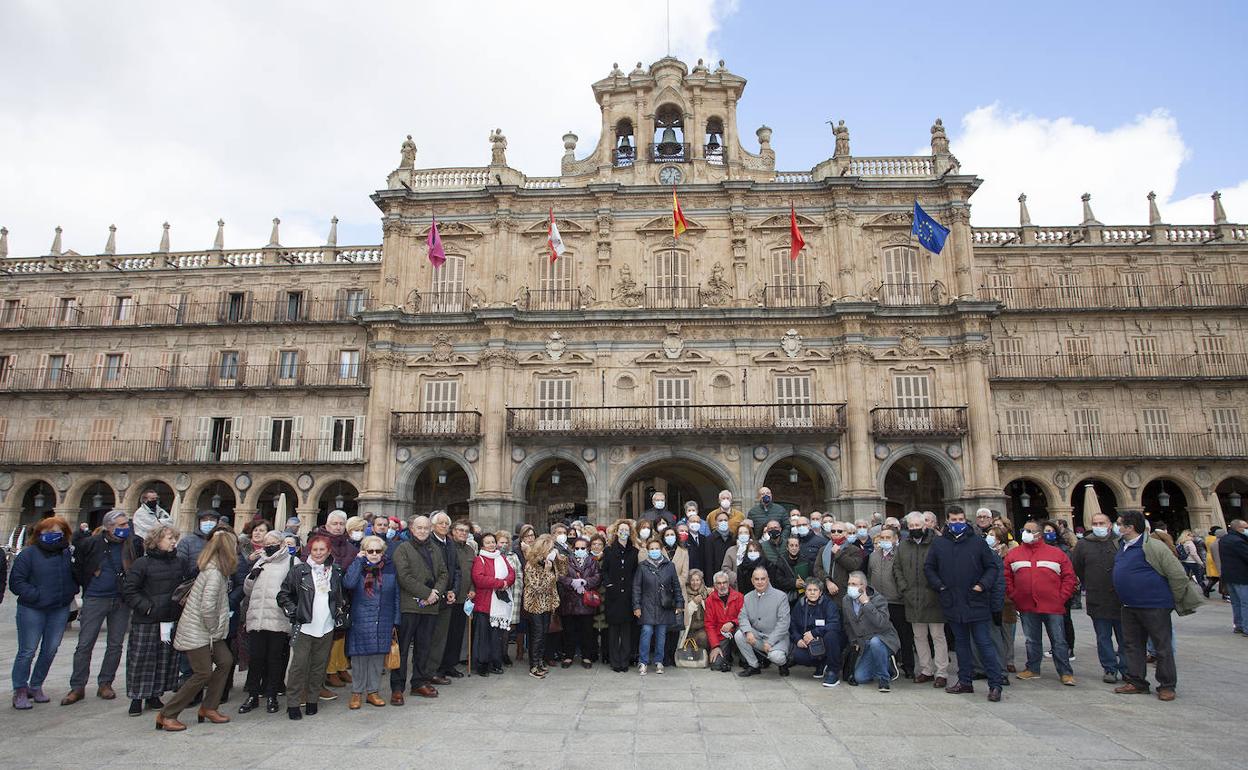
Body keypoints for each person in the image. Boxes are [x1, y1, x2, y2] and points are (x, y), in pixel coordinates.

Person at [1112, 510, 1202, 701]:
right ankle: (1137, 681)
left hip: (1154, 606)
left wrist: (1170, 600)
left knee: (1162, 646)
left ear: (1130, 527)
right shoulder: (1121, 545)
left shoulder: (1153, 547)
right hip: (1129, 605)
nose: (1116, 526)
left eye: (1119, 524)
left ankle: (1167, 685)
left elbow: (1177, 574)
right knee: (1132, 645)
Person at [157, 529, 238, 731]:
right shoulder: (213, 573)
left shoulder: (218, 569)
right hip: (200, 630)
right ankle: (167, 714)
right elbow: (208, 607)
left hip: (210, 631)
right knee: (202, 673)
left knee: (225, 661)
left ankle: (209, 707)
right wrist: (213, 629)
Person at [924, 508, 1005, 702]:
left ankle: (995, 684)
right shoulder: (939, 543)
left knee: (984, 644)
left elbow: (992, 568)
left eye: (961, 519)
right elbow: (929, 567)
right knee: (961, 645)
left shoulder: (978, 542)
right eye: (954, 519)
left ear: (966, 521)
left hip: (975, 601)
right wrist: (940, 586)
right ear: (947, 521)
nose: (958, 522)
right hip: (952, 600)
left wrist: (981, 585)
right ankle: (965, 681)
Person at [62, 509, 132, 705]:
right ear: (109, 527)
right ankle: (77, 686)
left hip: (121, 599)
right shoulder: (91, 543)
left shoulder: (132, 543)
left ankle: (105, 683)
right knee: (85, 643)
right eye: (122, 525)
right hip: (96, 597)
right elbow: (77, 567)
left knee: (116, 644)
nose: (126, 528)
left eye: (126, 524)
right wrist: (90, 583)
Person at [121, 524, 190, 717]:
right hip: (147, 620)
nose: (173, 542)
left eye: (174, 538)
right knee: (142, 658)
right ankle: (137, 697)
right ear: (157, 540)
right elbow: (129, 590)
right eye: (169, 538)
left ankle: (155, 694)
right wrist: (147, 607)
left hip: (169, 618)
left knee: (163, 658)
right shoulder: (142, 563)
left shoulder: (179, 562)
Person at [9, 516, 77, 710]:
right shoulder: (28, 554)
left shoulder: (66, 553)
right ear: (39, 534)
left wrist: (70, 591)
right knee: (27, 650)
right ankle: (20, 689)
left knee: (50, 649)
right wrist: (36, 595)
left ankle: (36, 685)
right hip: (32, 608)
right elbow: (16, 582)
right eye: (48, 532)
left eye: (57, 532)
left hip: (59, 608)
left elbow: (74, 575)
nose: (53, 536)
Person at [279, 534, 346, 719]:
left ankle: (312, 699)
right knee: (299, 665)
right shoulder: (299, 571)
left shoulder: (335, 571)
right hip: (305, 626)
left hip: (326, 625)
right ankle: (293, 703)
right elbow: (283, 595)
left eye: (322, 550)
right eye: (315, 549)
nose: (318, 553)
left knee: (319, 665)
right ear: (310, 550)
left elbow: (339, 596)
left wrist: (340, 611)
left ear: (328, 551)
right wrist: (295, 612)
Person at [1006, 520, 1077, 685]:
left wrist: (1061, 597)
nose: (1026, 533)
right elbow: (1007, 576)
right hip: (1026, 604)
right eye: (1024, 529)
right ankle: (1032, 668)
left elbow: (1069, 577)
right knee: (1031, 639)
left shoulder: (1056, 553)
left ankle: (1065, 672)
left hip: (1053, 604)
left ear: (1039, 534)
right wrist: (1014, 594)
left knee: (1058, 639)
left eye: (1030, 531)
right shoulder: (1014, 553)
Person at [390, 515, 447, 704]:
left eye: (426, 528)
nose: (422, 531)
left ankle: (419, 682)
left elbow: (443, 573)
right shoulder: (403, 549)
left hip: (430, 607)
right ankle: (397, 687)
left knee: (424, 647)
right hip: (410, 606)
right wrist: (427, 593)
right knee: (403, 648)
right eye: (419, 528)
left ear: (430, 529)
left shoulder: (436, 549)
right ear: (412, 529)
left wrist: (436, 592)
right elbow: (404, 577)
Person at [240, 530, 294, 714]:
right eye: (266, 544)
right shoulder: (260, 560)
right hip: (258, 618)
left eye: (273, 544)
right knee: (255, 659)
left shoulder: (291, 562)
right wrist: (251, 576)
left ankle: (272, 694)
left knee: (274, 659)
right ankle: (253, 695)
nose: (269, 547)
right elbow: (248, 590)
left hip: (278, 618)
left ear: (281, 544)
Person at [342, 535, 399, 707]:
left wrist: (396, 620)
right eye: (370, 551)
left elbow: (396, 595)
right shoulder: (358, 567)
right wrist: (358, 561)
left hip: (384, 617)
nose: (374, 554)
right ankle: (357, 693)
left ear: (383, 552)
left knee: (377, 657)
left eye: (378, 551)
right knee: (359, 657)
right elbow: (349, 584)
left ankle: (373, 692)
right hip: (361, 617)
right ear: (364, 552)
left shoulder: (389, 568)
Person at [894, 511, 948, 687]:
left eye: (918, 526)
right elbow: (897, 568)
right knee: (919, 637)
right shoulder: (903, 545)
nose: (915, 529)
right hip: (912, 597)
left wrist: (938, 588)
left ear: (925, 525)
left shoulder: (938, 543)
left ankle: (941, 672)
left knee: (938, 636)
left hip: (933, 597)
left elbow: (944, 568)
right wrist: (904, 589)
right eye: (911, 526)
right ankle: (926, 669)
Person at [305, 511, 358, 689]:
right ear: (327, 525)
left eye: (341, 524)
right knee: (327, 635)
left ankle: (339, 665)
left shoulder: (348, 545)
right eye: (334, 523)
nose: (338, 527)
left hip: (345, 595)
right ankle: (328, 672)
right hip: (323, 596)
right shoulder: (318, 543)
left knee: (341, 631)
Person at [1072, 512, 1126, 683]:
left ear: (1110, 525)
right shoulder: (1083, 545)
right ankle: (1109, 668)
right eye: (1095, 523)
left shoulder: (1121, 542)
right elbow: (1078, 568)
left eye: (1102, 523)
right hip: (1097, 597)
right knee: (1103, 637)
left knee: (1125, 637)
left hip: (1121, 597)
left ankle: (1126, 668)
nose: (1098, 526)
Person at [842, 571, 900, 692]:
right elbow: (848, 624)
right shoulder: (846, 600)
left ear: (863, 586)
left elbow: (881, 623)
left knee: (875, 642)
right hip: (865, 644)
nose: (850, 587)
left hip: (883, 639)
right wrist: (854, 641)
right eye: (849, 584)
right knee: (860, 678)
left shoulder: (879, 600)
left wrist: (867, 604)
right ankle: (886, 665)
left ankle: (884, 679)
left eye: (854, 584)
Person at [632, 538, 683, 675]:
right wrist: (636, 606)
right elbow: (636, 587)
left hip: (664, 606)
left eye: (656, 548)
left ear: (661, 550)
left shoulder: (669, 566)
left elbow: (676, 586)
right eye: (651, 549)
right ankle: (643, 662)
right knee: (647, 632)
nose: (654, 551)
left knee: (661, 634)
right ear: (648, 551)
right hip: (647, 605)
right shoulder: (643, 566)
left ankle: (659, 661)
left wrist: (679, 603)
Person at [433, 519, 475, 680]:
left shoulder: (470, 550)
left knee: (457, 635)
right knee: (444, 635)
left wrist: (472, 589)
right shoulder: (447, 547)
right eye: (460, 530)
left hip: (464, 599)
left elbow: (473, 573)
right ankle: (438, 668)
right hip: (449, 597)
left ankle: (450, 665)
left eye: (466, 531)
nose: (463, 533)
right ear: (453, 531)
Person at [868, 528, 912, 679]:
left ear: (895, 539)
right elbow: (869, 576)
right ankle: (885, 664)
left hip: (896, 602)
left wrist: (901, 594)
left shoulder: (900, 556)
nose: (885, 540)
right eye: (882, 537)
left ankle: (908, 666)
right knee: (879, 635)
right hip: (877, 603)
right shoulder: (873, 556)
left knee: (903, 635)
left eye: (888, 537)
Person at [471, 532, 516, 676]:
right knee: (483, 636)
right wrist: (500, 583)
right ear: (482, 545)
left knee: (496, 636)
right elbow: (479, 579)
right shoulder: (480, 559)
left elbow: (511, 573)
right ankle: (482, 664)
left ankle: (495, 662)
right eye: (488, 542)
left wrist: (506, 582)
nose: (491, 545)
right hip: (485, 604)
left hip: (499, 604)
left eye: (492, 542)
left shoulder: (502, 558)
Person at [734, 566, 790, 677]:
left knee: (776, 657)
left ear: (768, 579)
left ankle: (783, 664)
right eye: (757, 579)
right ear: (752, 581)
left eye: (763, 579)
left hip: (776, 638)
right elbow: (742, 617)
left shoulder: (781, 596)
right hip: (757, 636)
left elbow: (784, 623)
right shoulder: (748, 597)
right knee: (739, 635)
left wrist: (770, 641)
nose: (760, 582)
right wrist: (748, 631)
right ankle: (754, 665)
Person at [557, 535, 602, 669]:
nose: (580, 550)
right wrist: (572, 582)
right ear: (573, 548)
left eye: (583, 548)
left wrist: (585, 583)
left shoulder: (592, 561)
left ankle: (586, 656)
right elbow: (560, 576)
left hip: (586, 601)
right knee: (569, 630)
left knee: (587, 631)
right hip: (570, 600)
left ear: (587, 548)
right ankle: (569, 656)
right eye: (577, 548)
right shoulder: (566, 560)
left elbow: (598, 576)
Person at [524, 534, 564, 678]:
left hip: (548, 604)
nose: (551, 551)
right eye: (550, 549)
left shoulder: (549, 562)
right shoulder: (531, 564)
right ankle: (533, 666)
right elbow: (538, 587)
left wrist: (559, 560)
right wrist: (547, 572)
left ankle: (540, 662)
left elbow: (562, 574)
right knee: (537, 635)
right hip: (535, 604)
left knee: (544, 633)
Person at [601, 521, 638, 673]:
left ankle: (625, 661)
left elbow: (636, 573)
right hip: (613, 596)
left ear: (630, 532)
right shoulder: (609, 550)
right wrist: (609, 585)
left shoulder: (634, 551)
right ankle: (615, 661)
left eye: (626, 530)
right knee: (614, 631)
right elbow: (604, 571)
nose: (624, 532)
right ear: (616, 532)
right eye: (621, 529)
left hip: (628, 596)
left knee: (627, 631)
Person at [986, 523, 1020, 673]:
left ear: (1000, 539)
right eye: (989, 534)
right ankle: (996, 661)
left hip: (1006, 599)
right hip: (991, 597)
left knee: (1007, 632)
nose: (990, 538)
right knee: (994, 632)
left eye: (993, 535)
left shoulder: (1009, 554)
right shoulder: (984, 552)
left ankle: (1009, 660)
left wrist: (1011, 593)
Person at [788, 581, 839, 682]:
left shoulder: (829, 604)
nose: (812, 593)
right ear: (805, 592)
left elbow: (834, 624)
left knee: (831, 635)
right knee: (798, 655)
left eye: (815, 590)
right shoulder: (800, 605)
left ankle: (833, 671)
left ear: (820, 592)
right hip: (810, 644)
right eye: (809, 590)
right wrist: (798, 639)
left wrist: (814, 633)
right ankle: (821, 664)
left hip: (826, 640)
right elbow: (792, 625)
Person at [1042, 520, 1078, 657]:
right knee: (1052, 623)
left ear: (1056, 533)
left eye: (1050, 531)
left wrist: (1065, 592)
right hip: (1047, 592)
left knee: (1065, 620)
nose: (1047, 534)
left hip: (1061, 592)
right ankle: (1056, 647)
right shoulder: (1041, 549)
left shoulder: (1063, 549)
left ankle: (1069, 648)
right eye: (1045, 531)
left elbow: (1069, 573)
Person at [704, 570, 745, 672]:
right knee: (716, 665)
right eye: (719, 583)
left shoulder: (739, 597)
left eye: (724, 582)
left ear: (728, 583)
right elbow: (709, 625)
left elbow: (744, 617)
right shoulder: (709, 600)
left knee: (746, 662)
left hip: (736, 631)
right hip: (721, 635)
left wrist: (732, 623)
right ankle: (726, 657)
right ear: (714, 585)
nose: (722, 585)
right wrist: (715, 646)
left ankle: (742, 658)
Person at [814, 520, 865, 600]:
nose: (836, 533)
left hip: (845, 593)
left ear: (845, 533)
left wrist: (838, 553)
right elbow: (817, 568)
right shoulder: (823, 549)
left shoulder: (854, 550)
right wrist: (827, 581)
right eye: (833, 531)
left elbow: (854, 566)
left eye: (839, 531)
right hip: (826, 591)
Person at [1217, 520, 1248, 634]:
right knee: (1245, 603)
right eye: (1245, 527)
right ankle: (1246, 627)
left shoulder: (1224, 539)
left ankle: (1239, 625)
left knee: (1236, 602)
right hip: (1241, 576)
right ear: (1239, 528)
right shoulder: (1238, 541)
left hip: (1229, 576)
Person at [679, 569, 709, 652]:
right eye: (692, 580)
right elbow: (684, 614)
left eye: (697, 580)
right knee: (686, 651)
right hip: (688, 631)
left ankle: (704, 656)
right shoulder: (684, 593)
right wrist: (694, 603)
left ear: (701, 581)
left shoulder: (706, 592)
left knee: (703, 637)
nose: (695, 583)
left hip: (702, 629)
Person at [707, 508, 735, 574]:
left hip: (730, 575)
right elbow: (708, 561)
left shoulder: (733, 537)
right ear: (716, 522)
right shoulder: (710, 539)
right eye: (720, 520)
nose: (723, 522)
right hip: (716, 575)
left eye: (725, 520)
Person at [1204, 526, 1224, 599]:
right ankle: (1223, 593)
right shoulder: (1215, 539)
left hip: (1209, 555)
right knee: (1219, 576)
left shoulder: (1207, 538)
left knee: (1214, 576)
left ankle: (1207, 589)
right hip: (1216, 557)